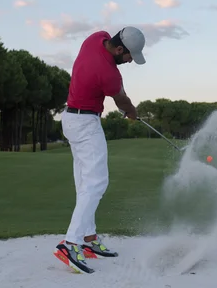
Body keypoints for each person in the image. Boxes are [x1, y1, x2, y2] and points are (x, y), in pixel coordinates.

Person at [53, 26, 146, 274]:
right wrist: (132, 112)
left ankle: (88, 238)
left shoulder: (96, 38)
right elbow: (122, 99)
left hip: (70, 118)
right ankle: (71, 243)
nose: (129, 61)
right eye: (128, 56)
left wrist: (125, 106)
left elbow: (112, 92)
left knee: (85, 181)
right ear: (119, 49)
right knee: (96, 182)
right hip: (85, 124)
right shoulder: (110, 74)